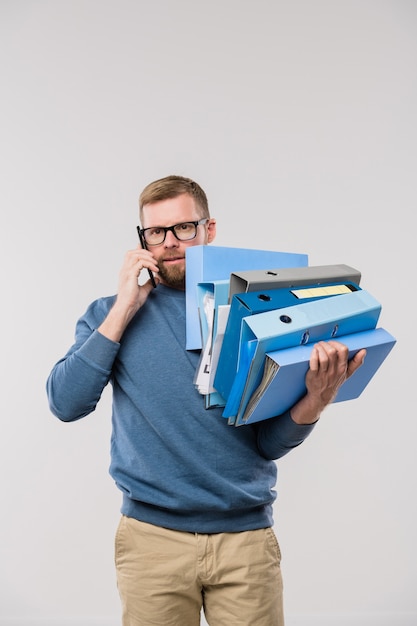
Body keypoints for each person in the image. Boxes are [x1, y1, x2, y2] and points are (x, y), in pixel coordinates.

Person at [46, 174, 366, 626]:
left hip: (246, 541)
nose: (170, 243)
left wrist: (316, 399)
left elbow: (267, 444)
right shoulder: (107, 315)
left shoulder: (261, 311)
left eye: (184, 228)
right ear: (142, 238)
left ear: (209, 230)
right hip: (150, 541)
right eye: (156, 232)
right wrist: (124, 306)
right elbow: (65, 403)